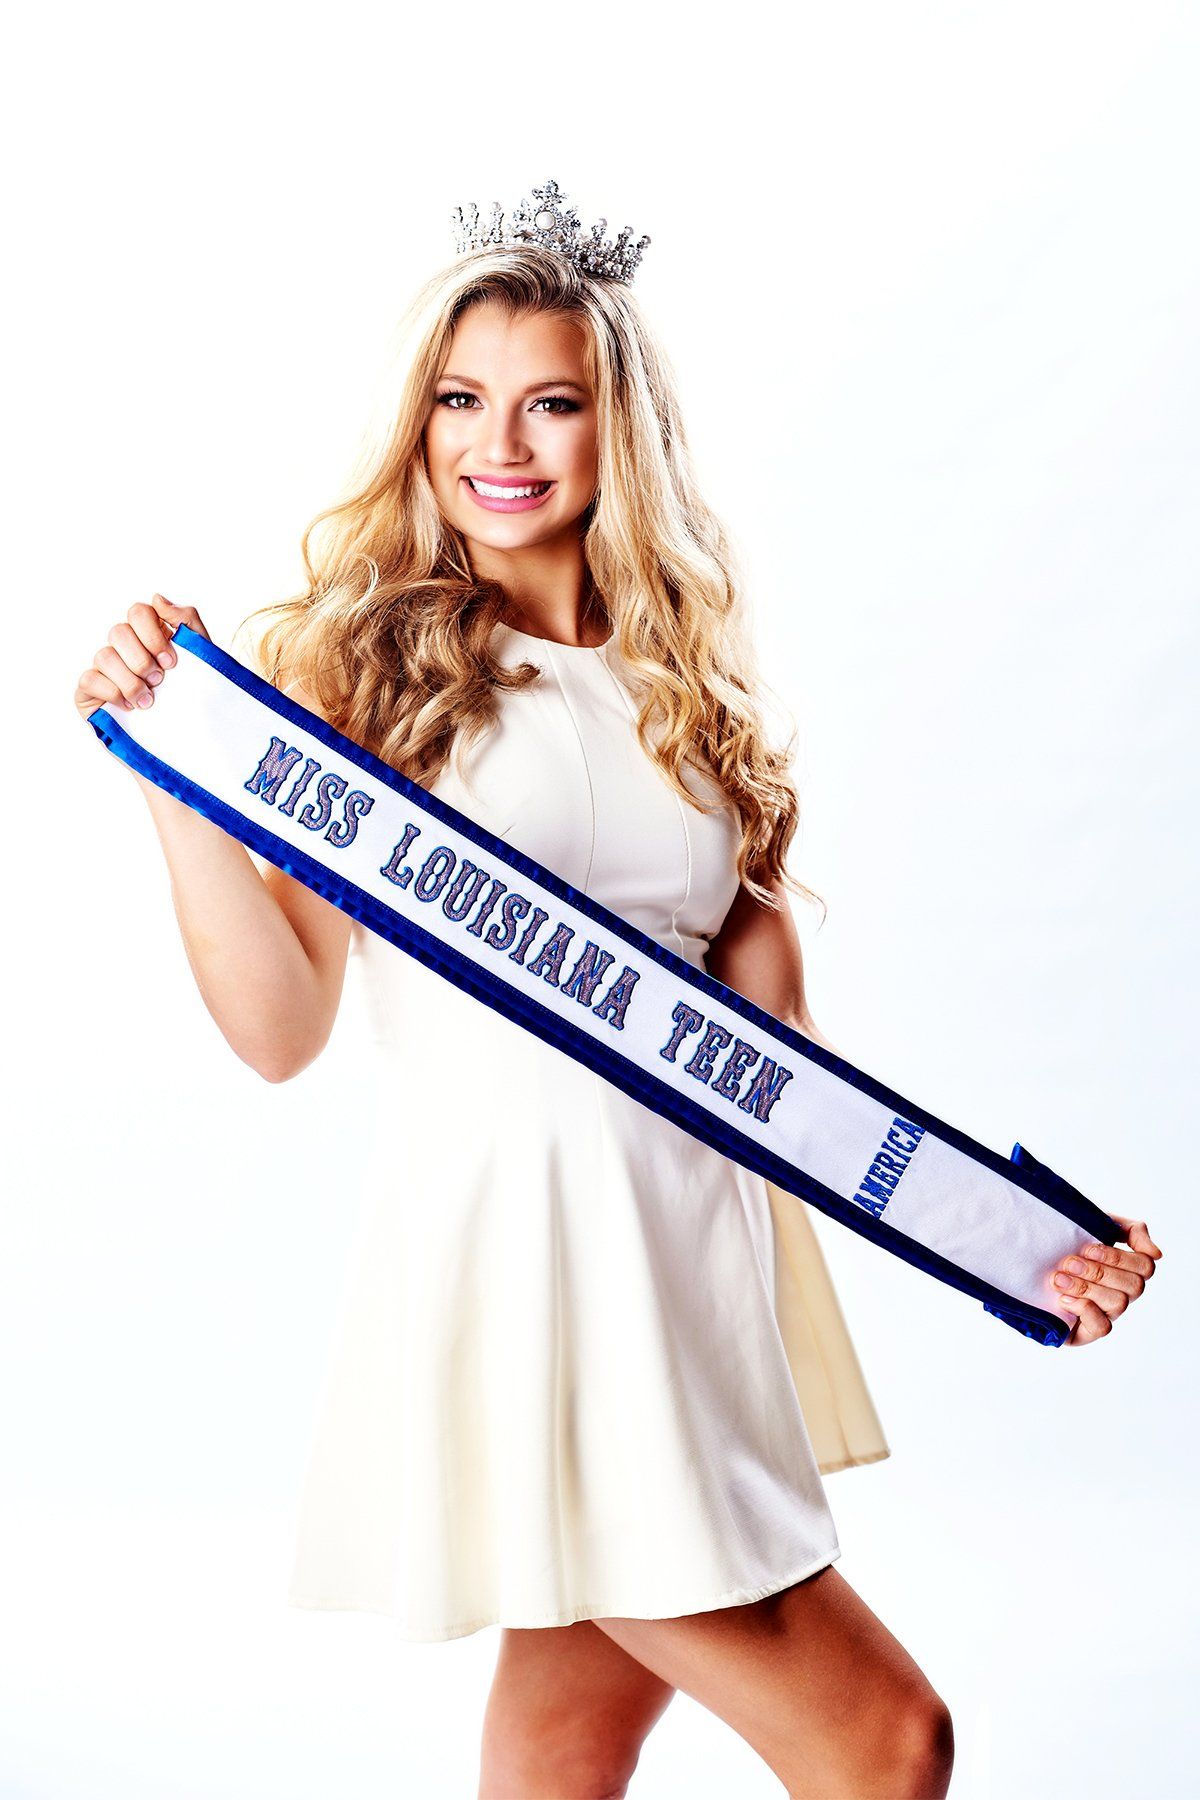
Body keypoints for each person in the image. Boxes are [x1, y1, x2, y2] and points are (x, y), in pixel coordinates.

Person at [74, 180, 1162, 1800]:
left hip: (690, 1284)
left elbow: (778, 1067)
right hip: (535, 1290)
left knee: (560, 1762)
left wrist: (1023, 1247)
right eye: (459, 399)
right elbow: (284, 1033)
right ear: (419, 423)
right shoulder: (365, 680)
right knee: (888, 1742)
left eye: (549, 403)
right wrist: (180, 788)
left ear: (616, 431)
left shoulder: (690, 689)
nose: (496, 442)